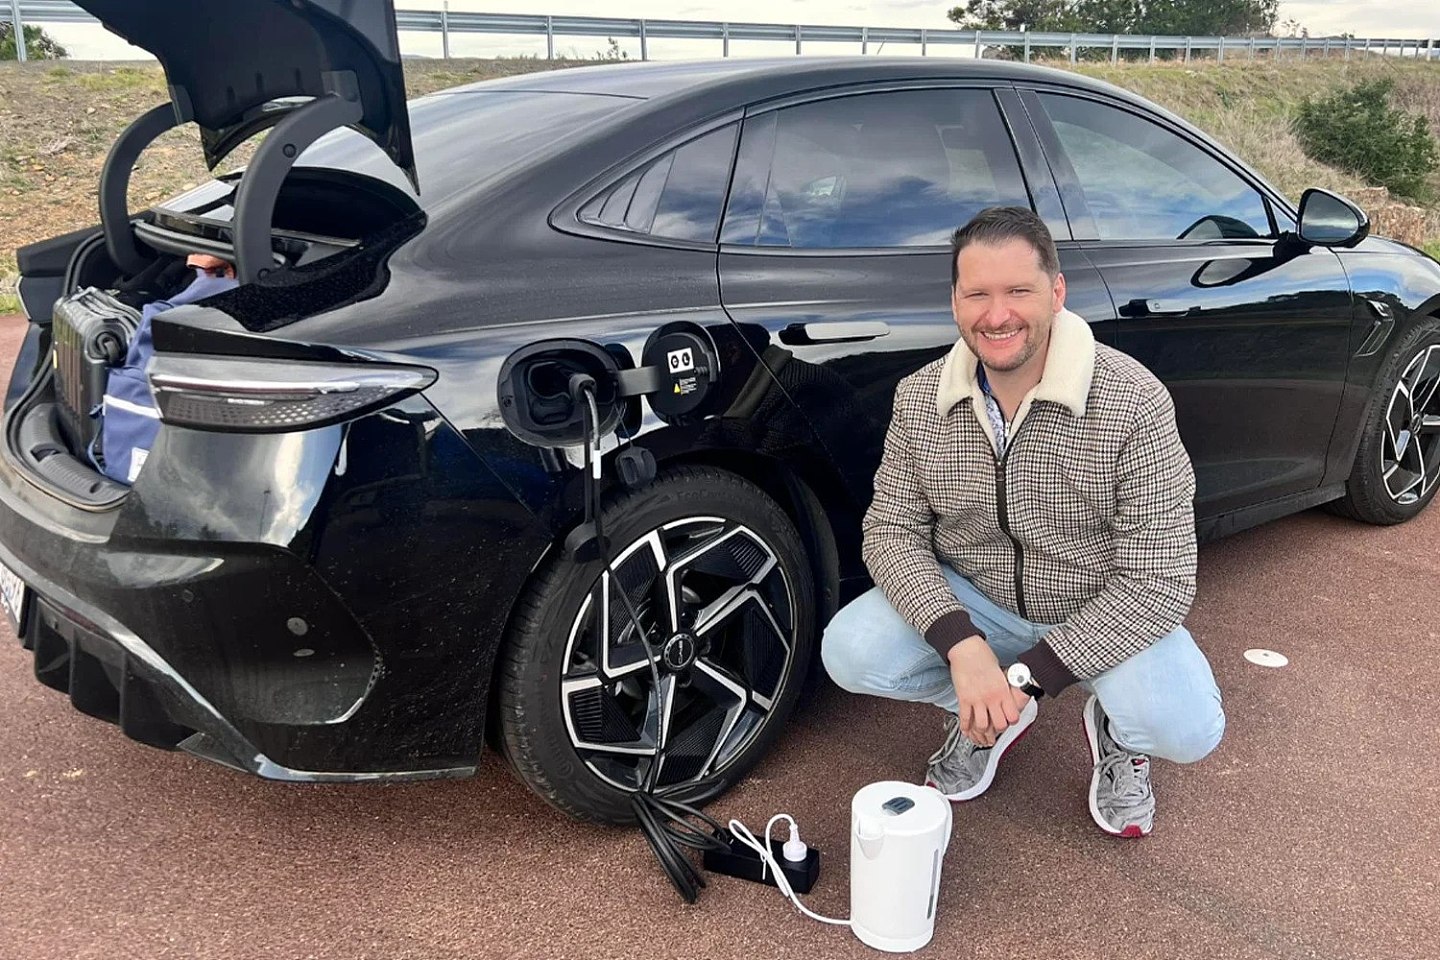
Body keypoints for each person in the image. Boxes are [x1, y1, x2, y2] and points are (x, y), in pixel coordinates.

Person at [821, 206, 1225, 838]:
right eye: (977, 293)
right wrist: (962, 646)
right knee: (849, 651)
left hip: (1098, 608)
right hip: (979, 600)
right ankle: (983, 712)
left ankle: (1112, 734)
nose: (997, 313)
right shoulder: (920, 397)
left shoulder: (1133, 399)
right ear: (954, 301)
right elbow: (891, 531)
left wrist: (1028, 677)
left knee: (1187, 727)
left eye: (1019, 291)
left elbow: (1161, 581)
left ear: (1057, 293)